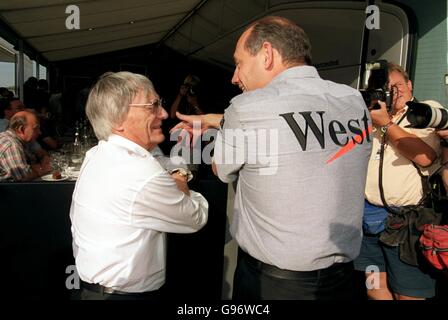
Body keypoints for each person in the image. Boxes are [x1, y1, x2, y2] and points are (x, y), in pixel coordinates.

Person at [172, 16, 372, 300]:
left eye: (239, 63)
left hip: (273, 285)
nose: (234, 77)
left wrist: (227, 123)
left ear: (267, 54)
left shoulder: (246, 107)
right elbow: (288, 133)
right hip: (343, 279)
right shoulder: (353, 100)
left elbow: (220, 169)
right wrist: (219, 121)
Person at [69, 71, 209, 300]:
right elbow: (194, 216)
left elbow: (155, 158)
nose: (163, 113)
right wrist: (181, 176)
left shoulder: (97, 153)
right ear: (118, 120)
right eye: (152, 106)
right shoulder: (140, 173)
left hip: (91, 291)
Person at [354, 62, 443, 300]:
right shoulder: (371, 118)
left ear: (410, 85)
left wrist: (386, 125)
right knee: (374, 286)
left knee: (408, 294)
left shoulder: (424, 112)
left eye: (398, 85)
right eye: (387, 87)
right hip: (368, 218)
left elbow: (425, 157)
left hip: (405, 221)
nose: (393, 91)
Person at [0, 110, 51, 181]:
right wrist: (42, 169)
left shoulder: (17, 140)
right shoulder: (11, 145)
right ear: (21, 129)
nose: (40, 132)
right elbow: (22, 177)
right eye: (36, 128)